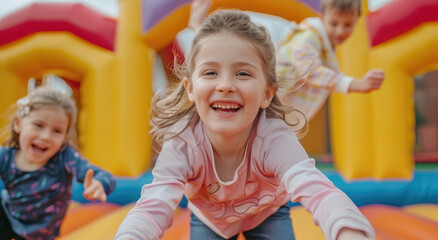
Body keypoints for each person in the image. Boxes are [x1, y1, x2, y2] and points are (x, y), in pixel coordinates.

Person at [114, 10, 374, 240]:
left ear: (267, 94)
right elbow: (154, 205)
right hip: (210, 219)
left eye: (243, 73)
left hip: (267, 213)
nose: (225, 85)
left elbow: (319, 192)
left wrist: (349, 231)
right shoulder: (183, 143)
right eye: (210, 72)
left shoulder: (273, 138)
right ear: (191, 89)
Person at [185, 0, 384, 121]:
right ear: (322, 17)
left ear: (357, 20)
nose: (340, 30)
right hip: (267, 102)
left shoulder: (325, 46)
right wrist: (353, 84)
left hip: (276, 108)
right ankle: (197, 27)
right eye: (334, 23)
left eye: (348, 24)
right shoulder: (309, 36)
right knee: (226, 54)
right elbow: (310, 70)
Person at [0, 87, 116, 240]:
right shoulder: (5, 156)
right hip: (7, 220)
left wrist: (99, 183)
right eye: (38, 125)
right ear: (18, 124)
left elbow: (104, 176)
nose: (46, 136)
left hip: (41, 234)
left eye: (57, 131)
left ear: (65, 136)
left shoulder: (64, 157)